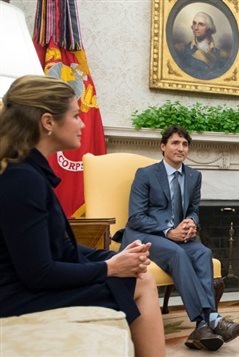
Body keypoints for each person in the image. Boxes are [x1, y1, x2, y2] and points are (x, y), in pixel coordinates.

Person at [0, 75, 165, 356]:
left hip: (24, 287)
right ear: (48, 122)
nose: (83, 124)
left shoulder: (29, 172)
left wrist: (117, 256)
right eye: (76, 116)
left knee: (139, 274)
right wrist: (111, 268)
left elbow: (62, 249)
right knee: (141, 280)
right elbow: (39, 273)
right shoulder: (22, 178)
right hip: (16, 297)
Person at [122, 125, 239, 351]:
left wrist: (191, 222)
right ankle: (212, 320)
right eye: (175, 143)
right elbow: (135, 217)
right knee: (177, 253)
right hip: (146, 234)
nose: (181, 148)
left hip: (178, 237)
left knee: (203, 252)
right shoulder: (146, 174)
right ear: (163, 146)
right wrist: (168, 231)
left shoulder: (193, 176)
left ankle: (202, 326)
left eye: (185, 144)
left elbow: (194, 209)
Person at [175, 11, 229, 80]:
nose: (196, 28)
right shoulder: (183, 50)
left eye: (201, 24)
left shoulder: (221, 54)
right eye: (194, 23)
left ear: (209, 28)